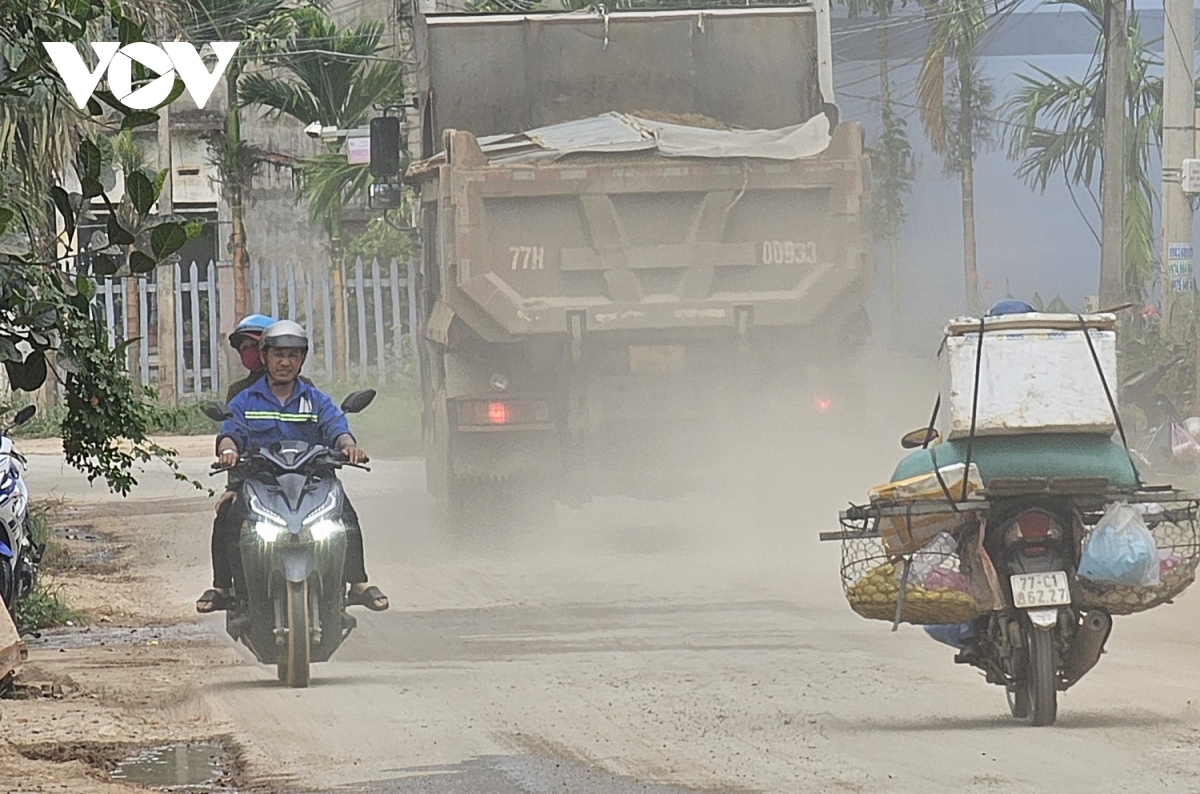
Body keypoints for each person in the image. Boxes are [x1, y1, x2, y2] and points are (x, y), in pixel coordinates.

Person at [195, 320, 388, 613]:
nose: (285, 362)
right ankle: (224, 588)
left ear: (301, 360)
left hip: (312, 481)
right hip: (261, 482)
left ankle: (357, 582)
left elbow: (336, 426)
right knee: (228, 519)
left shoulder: (314, 399)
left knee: (345, 514)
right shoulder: (246, 399)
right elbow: (230, 432)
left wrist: (348, 447)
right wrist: (229, 452)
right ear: (265, 357)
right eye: (278, 355)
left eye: (292, 356)